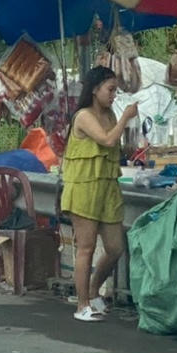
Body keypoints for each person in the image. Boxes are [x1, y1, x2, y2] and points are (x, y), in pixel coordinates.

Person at [60, 65, 138, 322]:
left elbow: (114, 145)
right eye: (110, 89)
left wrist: (131, 146)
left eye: (116, 90)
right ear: (95, 90)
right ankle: (82, 304)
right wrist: (127, 117)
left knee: (115, 247)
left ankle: (94, 290)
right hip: (84, 186)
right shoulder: (84, 116)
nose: (114, 95)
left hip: (107, 186)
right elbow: (106, 140)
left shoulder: (110, 114)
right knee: (86, 246)